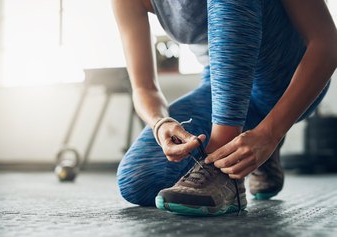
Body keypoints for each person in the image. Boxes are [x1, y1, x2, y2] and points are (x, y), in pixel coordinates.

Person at [112, 0, 337, 216]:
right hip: (220, 89)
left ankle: (221, 168)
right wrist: (159, 123)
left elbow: (327, 43)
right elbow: (144, 88)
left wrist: (270, 135)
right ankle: (246, 143)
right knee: (137, 180)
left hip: (284, 79)